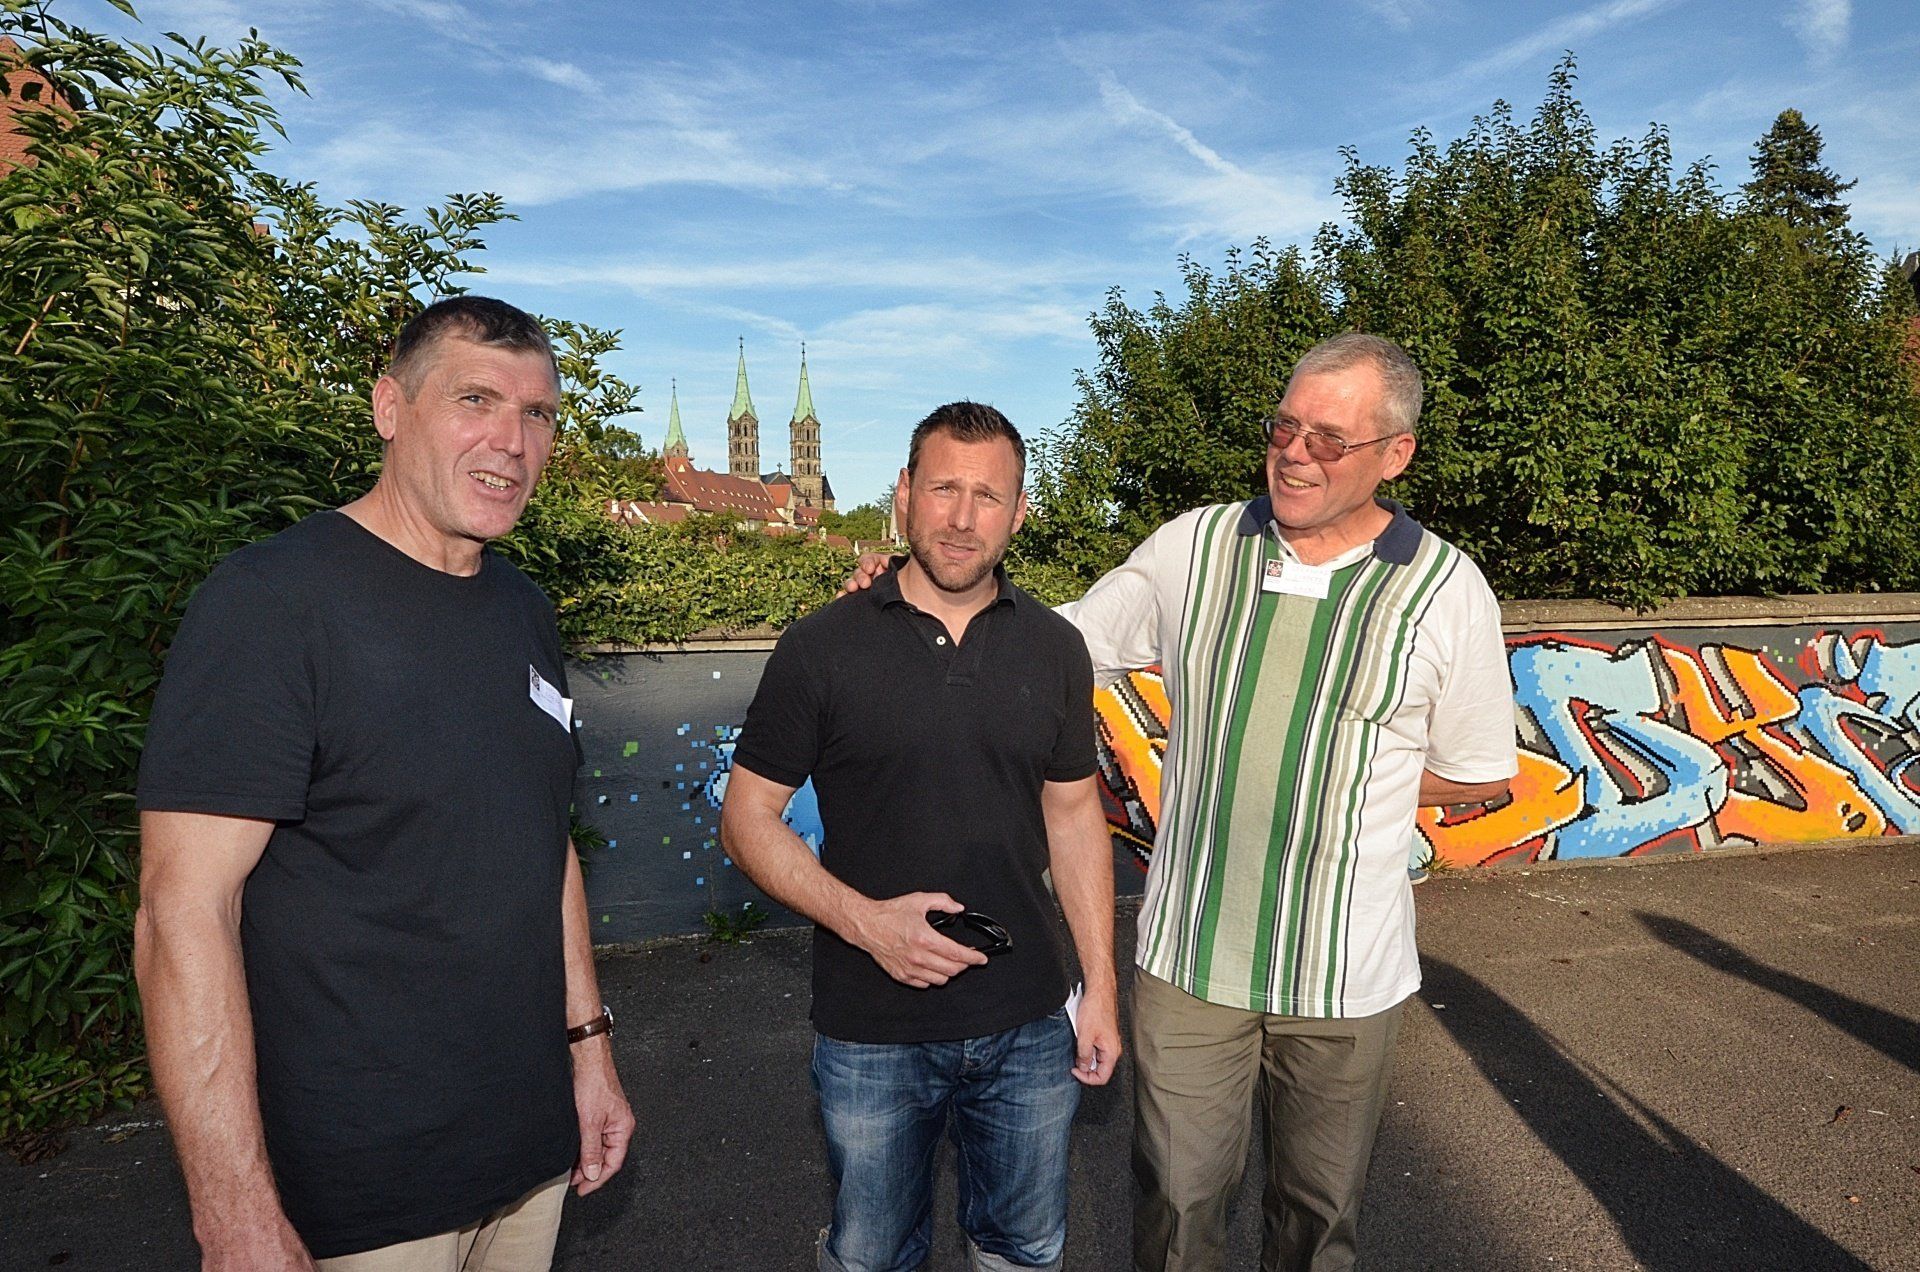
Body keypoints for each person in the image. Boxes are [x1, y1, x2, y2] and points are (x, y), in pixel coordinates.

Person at [844, 333, 1516, 1271]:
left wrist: (1358, 776)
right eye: (1284, 427)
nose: (1295, 453)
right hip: (1189, 963)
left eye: (1328, 438)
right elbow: (1057, 645)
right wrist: (917, 593)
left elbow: (1482, 770)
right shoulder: (1193, 546)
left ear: (1394, 453)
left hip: (1347, 976)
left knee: (1318, 1220)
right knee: (1174, 1206)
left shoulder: (1447, 589)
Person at [134, 296, 634, 1271]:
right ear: (389, 409)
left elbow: (545, 843)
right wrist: (233, 1209)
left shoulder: (524, 610)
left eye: (537, 413)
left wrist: (589, 1048)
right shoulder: (273, 602)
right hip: (360, 1185)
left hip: (530, 1149)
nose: (512, 440)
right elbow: (180, 910)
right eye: (475, 399)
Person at [721, 402, 1122, 1272]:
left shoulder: (1057, 649)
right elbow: (745, 818)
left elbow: (1073, 817)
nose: (963, 517)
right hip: (872, 1029)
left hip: (1028, 1023)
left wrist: (1100, 989)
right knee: (871, 1257)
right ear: (903, 493)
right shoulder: (820, 647)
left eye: (989, 495)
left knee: (1024, 1251)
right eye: (944, 488)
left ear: (1019, 513)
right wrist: (868, 924)